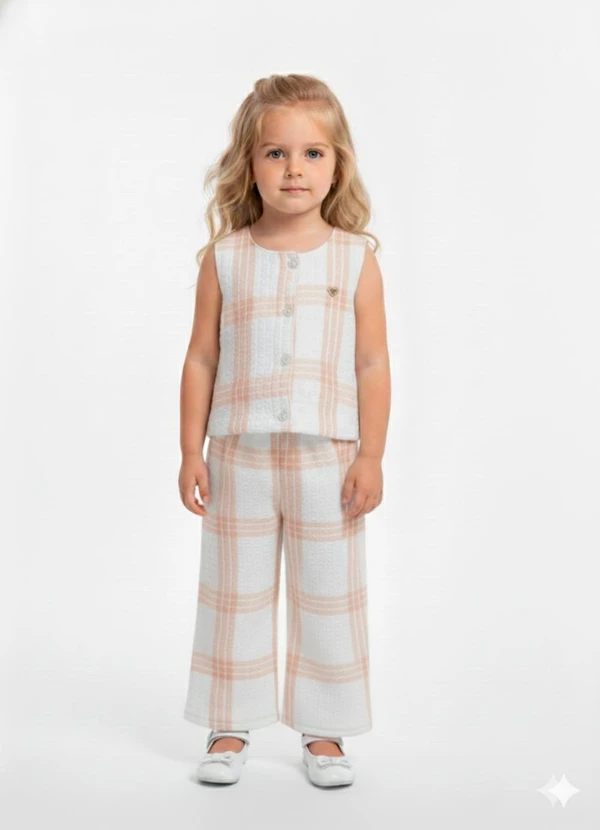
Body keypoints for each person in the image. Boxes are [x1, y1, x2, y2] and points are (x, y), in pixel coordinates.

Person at [178, 73, 391, 787]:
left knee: (328, 592)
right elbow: (201, 357)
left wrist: (372, 455)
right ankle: (228, 721)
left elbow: (371, 362)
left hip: (328, 456)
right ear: (249, 164)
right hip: (237, 452)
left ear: (337, 165)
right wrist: (190, 450)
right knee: (233, 591)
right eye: (275, 153)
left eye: (312, 153)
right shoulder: (226, 258)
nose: (294, 169)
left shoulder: (355, 258)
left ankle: (324, 729)